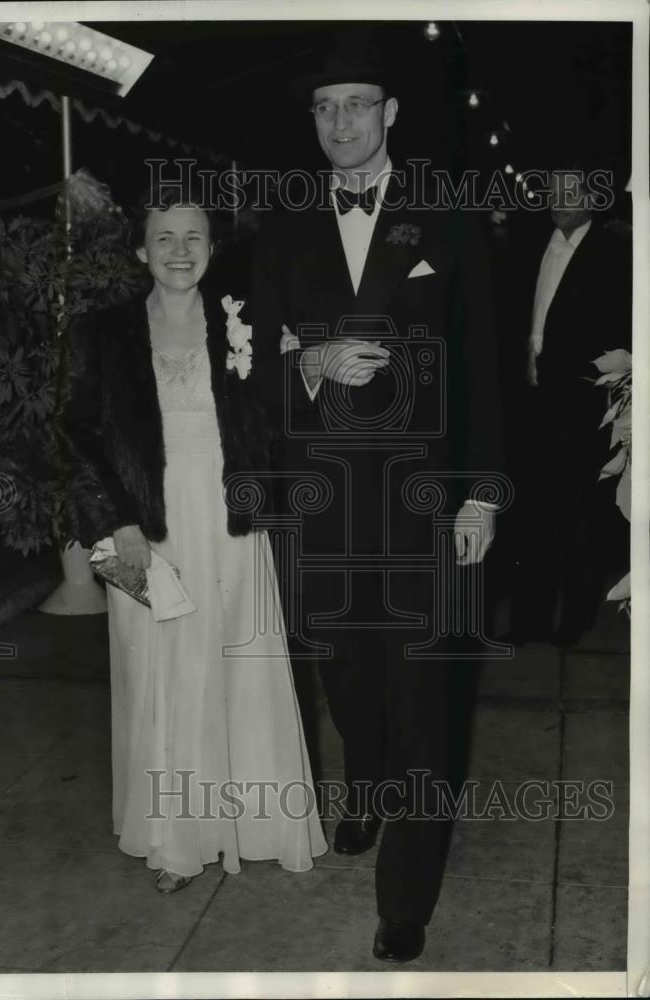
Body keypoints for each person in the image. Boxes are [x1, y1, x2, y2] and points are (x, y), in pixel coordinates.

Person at [252, 33, 504, 961]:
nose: (341, 123)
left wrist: (480, 497)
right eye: (325, 108)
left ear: (391, 114)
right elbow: (257, 380)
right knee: (347, 678)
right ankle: (365, 787)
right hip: (323, 508)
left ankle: (407, 894)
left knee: (424, 696)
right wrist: (308, 363)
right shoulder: (282, 229)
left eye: (359, 104)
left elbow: (480, 371)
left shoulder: (445, 218)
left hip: (424, 507)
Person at [55, 185, 327, 894]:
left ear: (212, 248)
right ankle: (179, 838)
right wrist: (117, 522)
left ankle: (254, 822)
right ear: (142, 250)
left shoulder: (241, 323)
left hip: (229, 524)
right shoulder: (104, 332)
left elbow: (274, 422)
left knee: (238, 662)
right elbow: (75, 433)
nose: (180, 251)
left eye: (194, 237)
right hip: (146, 527)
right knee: (161, 669)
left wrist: (299, 368)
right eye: (165, 238)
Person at [507, 160, 632, 645]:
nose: (558, 200)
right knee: (532, 512)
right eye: (553, 191)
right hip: (531, 401)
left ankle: (574, 622)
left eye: (570, 192)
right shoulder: (525, 247)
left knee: (580, 516)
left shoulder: (614, 252)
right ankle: (529, 620)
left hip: (582, 405)